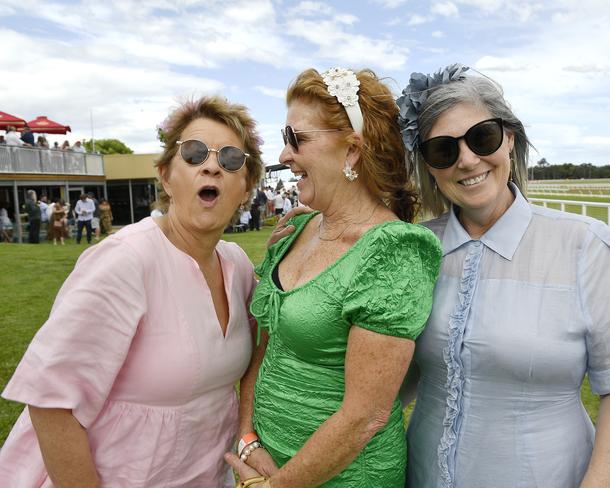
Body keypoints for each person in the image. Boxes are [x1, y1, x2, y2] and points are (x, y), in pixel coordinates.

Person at [395, 64, 610, 488]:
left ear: (509, 139)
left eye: (482, 137)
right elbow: (394, 378)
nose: (468, 159)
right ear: (429, 166)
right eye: (443, 150)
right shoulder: (414, 249)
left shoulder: (587, 247)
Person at [0, 95, 264, 487]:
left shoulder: (237, 265)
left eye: (230, 159)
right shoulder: (124, 261)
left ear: (246, 188)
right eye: (193, 154)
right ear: (165, 176)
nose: (211, 165)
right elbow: (51, 404)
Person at [226, 67, 442, 488]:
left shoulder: (393, 252)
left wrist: (276, 486)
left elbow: (366, 415)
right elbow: (266, 349)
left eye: (297, 139)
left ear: (352, 151)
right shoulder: (296, 231)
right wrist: (249, 437)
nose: (284, 155)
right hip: (263, 462)